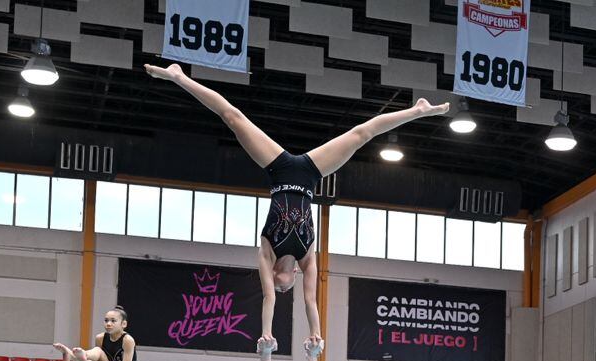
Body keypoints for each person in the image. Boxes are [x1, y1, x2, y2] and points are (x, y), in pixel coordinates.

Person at [145, 61, 447, 344]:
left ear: (277, 274)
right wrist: (316, 333)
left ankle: (178, 76)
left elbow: (268, 298)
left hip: (278, 170)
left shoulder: (267, 252)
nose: (282, 288)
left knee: (233, 117)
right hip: (311, 174)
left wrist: (266, 333)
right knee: (360, 134)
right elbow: (310, 300)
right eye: (285, 287)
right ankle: (416, 111)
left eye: (280, 286)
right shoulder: (307, 257)